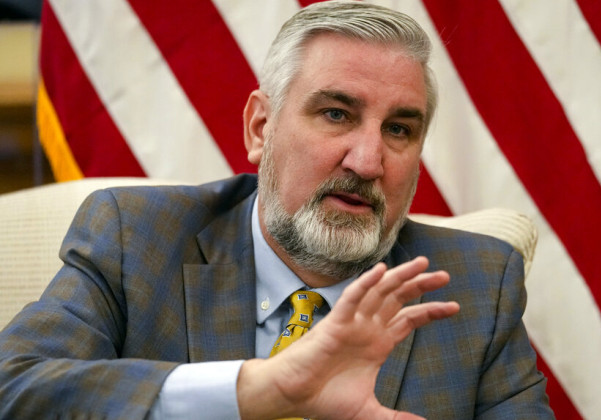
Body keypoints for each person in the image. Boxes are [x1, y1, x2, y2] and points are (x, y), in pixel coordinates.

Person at [0, 1, 553, 419]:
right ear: (261, 128)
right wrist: (258, 389)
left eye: (398, 129)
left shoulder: (478, 285)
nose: (366, 161)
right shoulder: (136, 236)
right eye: (336, 114)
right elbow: (16, 387)